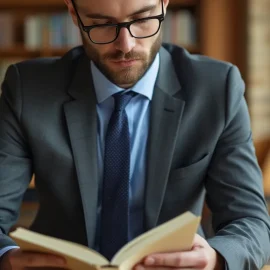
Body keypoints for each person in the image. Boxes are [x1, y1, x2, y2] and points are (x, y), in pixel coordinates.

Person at [0, 0, 269, 269]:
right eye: (103, 24)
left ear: (164, 4)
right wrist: (8, 258)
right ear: (74, 14)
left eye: (142, 19)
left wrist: (216, 258)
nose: (126, 45)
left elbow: (250, 223)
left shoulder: (217, 88)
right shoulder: (27, 89)